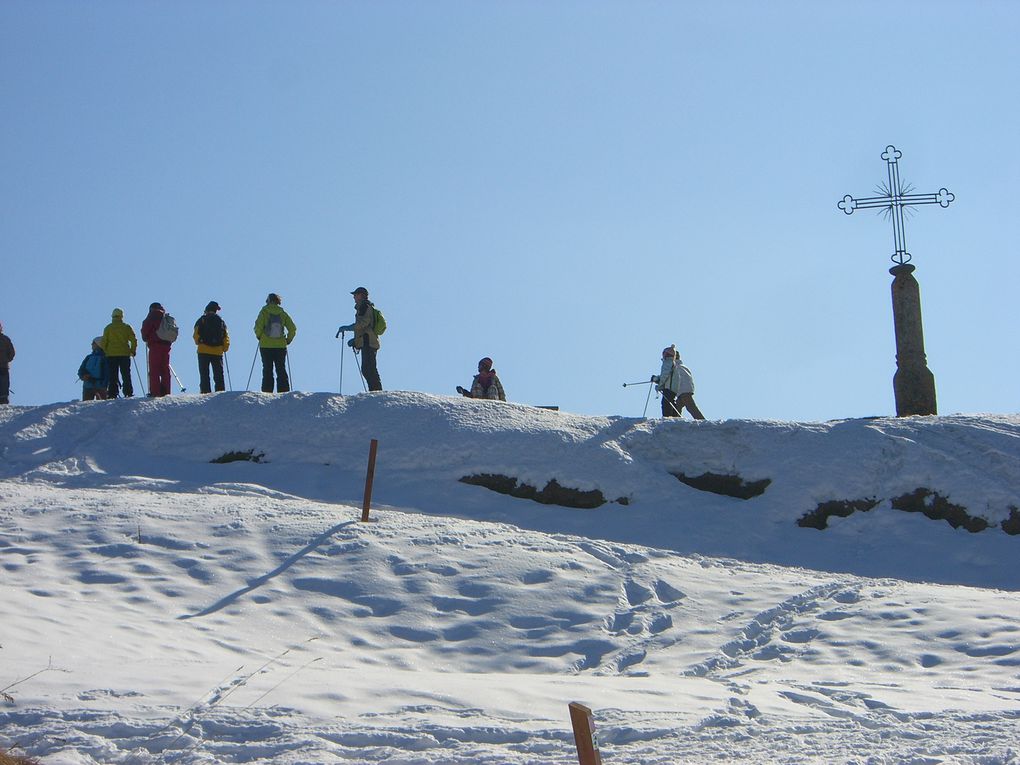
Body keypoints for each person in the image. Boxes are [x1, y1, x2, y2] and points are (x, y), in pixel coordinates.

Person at [337, 286, 382, 391]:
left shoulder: (364, 306)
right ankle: (375, 391)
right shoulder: (363, 307)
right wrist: (356, 341)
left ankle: (377, 392)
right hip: (368, 341)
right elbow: (363, 327)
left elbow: (363, 324)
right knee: (367, 368)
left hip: (368, 341)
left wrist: (348, 328)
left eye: (355, 295)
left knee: (369, 368)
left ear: (361, 295)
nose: (353, 297)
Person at [253, 293, 296, 393]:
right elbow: (292, 329)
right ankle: (284, 390)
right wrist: (287, 340)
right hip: (280, 345)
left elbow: (258, 327)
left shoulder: (264, 312)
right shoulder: (283, 313)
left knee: (267, 368)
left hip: (265, 345)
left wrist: (259, 336)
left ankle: (267, 391)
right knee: (281, 368)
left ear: (268, 301)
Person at [653, 344, 705, 420]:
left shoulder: (674, 366)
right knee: (677, 407)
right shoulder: (683, 366)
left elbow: (668, 377)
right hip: (685, 391)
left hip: (682, 391)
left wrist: (660, 382)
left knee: (691, 407)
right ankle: (677, 421)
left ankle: (702, 421)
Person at [100, 308, 137, 398]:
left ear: (112, 316)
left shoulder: (108, 328)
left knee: (113, 375)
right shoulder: (126, 327)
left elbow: (104, 342)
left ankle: (113, 393)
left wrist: (106, 351)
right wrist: (132, 351)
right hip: (124, 354)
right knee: (126, 374)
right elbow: (133, 340)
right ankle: (128, 392)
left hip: (111, 355)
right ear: (122, 316)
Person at [194, 301, 230, 394]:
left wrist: (199, 342)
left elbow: (195, 335)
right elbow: (226, 336)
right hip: (217, 351)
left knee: (204, 374)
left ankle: (205, 392)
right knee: (218, 374)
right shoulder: (221, 321)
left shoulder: (202, 319)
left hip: (203, 350)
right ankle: (220, 392)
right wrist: (224, 348)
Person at [141, 302, 175, 397]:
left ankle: (155, 392)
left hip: (155, 345)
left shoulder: (152, 316)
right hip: (166, 346)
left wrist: (146, 337)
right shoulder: (166, 317)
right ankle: (166, 392)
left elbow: (145, 332)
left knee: (154, 370)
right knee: (165, 369)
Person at [0, 321, 14, 405]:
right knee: (4, 383)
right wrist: (6, 360)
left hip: (4, 366)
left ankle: (3, 399)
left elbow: (12, 353)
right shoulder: (5, 339)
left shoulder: (5, 339)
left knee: (4, 383)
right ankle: (4, 400)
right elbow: (12, 353)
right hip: (4, 366)